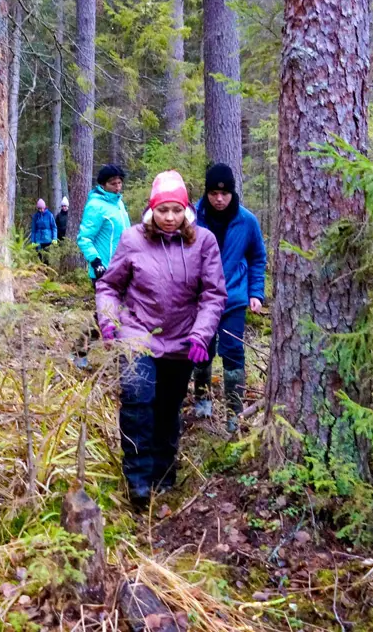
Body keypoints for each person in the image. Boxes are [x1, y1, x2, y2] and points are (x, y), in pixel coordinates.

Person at [96, 171, 227, 509]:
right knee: (138, 403)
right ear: (152, 210)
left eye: (176, 210)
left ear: (186, 210)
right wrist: (109, 321)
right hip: (137, 335)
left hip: (182, 340)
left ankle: (164, 473)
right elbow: (110, 285)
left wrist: (201, 334)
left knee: (168, 408)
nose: (169, 218)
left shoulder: (203, 242)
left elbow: (213, 295)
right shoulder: (132, 239)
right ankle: (137, 479)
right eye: (163, 210)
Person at [191, 163, 267, 430]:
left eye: (224, 194)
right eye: (213, 193)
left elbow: (257, 257)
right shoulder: (193, 217)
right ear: (207, 193)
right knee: (202, 349)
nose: (219, 199)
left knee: (233, 350)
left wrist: (256, 292)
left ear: (233, 193)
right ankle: (201, 401)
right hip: (200, 299)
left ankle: (235, 413)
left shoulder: (247, 221)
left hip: (233, 298)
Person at [77, 165, 131, 283]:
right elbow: (84, 238)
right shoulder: (95, 206)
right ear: (103, 184)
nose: (117, 187)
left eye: (119, 183)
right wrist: (96, 262)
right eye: (113, 184)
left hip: (123, 268)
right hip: (104, 270)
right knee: (108, 302)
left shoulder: (119, 204)